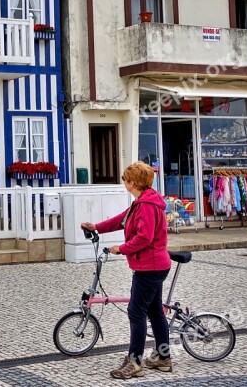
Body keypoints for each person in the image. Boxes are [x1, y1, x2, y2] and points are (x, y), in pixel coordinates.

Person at [82, 161, 172, 380]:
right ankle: (163, 357)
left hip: (150, 266)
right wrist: (97, 227)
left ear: (131, 182)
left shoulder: (147, 206)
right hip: (154, 265)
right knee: (154, 311)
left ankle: (135, 362)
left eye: (125, 179)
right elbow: (122, 220)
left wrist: (120, 249)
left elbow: (145, 237)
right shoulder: (142, 202)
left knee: (136, 311)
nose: (124, 183)